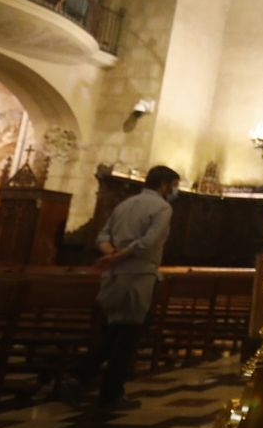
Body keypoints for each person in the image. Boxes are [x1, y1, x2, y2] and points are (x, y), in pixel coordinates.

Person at [65, 164, 180, 409]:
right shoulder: (162, 207)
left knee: (112, 331)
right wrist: (118, 256)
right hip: (138, 276)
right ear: (163, 185)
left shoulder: (124, 205)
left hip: (114, 275)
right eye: (173, 186)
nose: (173, 191)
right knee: (127, 336)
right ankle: (110, 392)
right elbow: (148, 244)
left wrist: (111, 254)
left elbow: (102, 237)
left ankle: (80, 377)